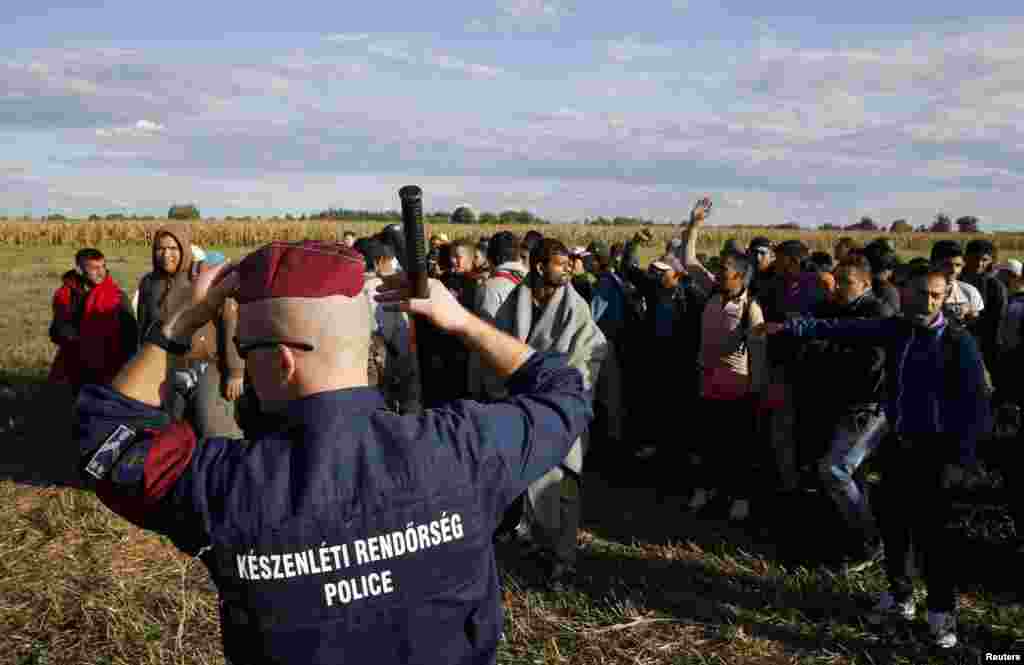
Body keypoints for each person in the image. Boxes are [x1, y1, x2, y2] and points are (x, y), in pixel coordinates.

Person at [74, 240, 592, 665]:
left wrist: (177, 326)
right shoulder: (463, 446)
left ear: (281, 361)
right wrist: (460, 321)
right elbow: (563, 392)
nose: (244, 368)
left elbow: (106, 438)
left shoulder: (225, 485)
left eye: (247, 352)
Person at [753, 263, 991, 649]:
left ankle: (941, 614)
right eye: (918, 293)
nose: (925, 301)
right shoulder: (897, 329)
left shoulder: (957, 343)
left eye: (934, 294)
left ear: (945, 296)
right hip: (897, 445)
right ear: (904, 292)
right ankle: (901, 598)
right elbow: (845, 328)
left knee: (934, 538)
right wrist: (793, 327)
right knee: (894, 529)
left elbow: (977, 405)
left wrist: (962, 458)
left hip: (937, 454)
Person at [490, 238, 607, 587]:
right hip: (522, 406)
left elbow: (589, 356)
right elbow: (499, 344)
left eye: (569, 262)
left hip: (561, 408)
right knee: (528, 479)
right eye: (560, 263)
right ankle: (537, 542)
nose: (568, 268)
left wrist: (560, 390)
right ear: (540, 267)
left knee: (563, 484)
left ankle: (563, 560)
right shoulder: (516, 301)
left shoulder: (577, 308)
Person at [797, 258, 894, 568]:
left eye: (845, 282)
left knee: (836, 470)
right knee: (852, 475)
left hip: (868, 407)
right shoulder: (833, 308)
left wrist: (822, 350)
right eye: (835, 280)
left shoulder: (878, 313)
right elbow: (803, 342)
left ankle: (871, 542)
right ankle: (850, 538)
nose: (837, 287)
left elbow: (867, 364)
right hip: (840, 403)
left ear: (865, 284)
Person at [680, 203, 768, 520]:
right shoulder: (712, 293)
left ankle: (740, 498)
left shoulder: (751, 309)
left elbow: (757, 354)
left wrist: (756, 390)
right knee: (707, 444)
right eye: (718, 269)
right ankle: (705, 490)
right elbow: (688, 261)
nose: (717, 274)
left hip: (738, 389)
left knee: (738, 449)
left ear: (742, 277)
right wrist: (694, 224)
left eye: (725, 271)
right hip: (707, 384)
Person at [136, 225, 244, 439]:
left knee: (213, 428)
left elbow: (229, 318)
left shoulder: (201, 276)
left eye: (173, 248)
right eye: (160, 249)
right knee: (170, 429)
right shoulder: (149, 283)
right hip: (167, 366)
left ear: (184, 248)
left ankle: (225, 470)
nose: (166, 254)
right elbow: (144, 325)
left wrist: (235, 371)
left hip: (207, 364)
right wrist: (143, 363)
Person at [48, 248, 138, 395]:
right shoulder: (65, 295)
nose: (101, 272)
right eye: (94, 268)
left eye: (103, 266)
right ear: (79, 269)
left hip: (108, 368)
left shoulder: (116, 297)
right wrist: (67, 334)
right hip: (73, 366)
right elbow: (55, 331)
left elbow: (131, 336)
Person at [467, 231, 526, 400]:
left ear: (490, 257)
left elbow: (484, 338)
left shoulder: (490, 288)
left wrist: (475, 385)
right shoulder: (530, 280)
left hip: (497, 381)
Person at [963, 239, 1007, 376]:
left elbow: (997, 321)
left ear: (991, 261)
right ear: (966, 257)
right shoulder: (956, 279)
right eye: (975, 258)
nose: (979, 263)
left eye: (984, 260)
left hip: (985, 343)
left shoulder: (995, 286)